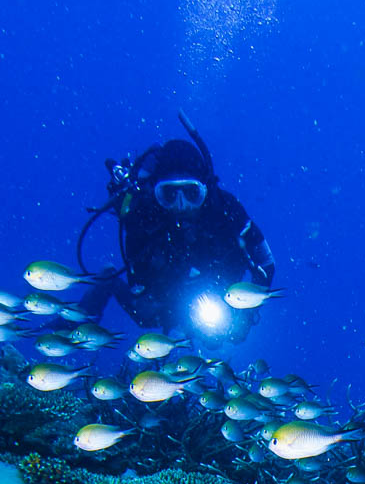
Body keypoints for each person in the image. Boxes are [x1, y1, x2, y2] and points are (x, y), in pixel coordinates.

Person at [78, 112, 276, 348]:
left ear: (205, 189)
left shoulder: (226, 209)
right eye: (169, 194)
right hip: (165, 295)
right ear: (156, 192)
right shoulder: (144, 213)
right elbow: (137, 278)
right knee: (144, 317)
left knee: (222, 338)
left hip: (221, 292)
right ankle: (76, 320)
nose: (181, 205)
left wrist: (246, 311)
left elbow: (266, 262)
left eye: (191, 193)